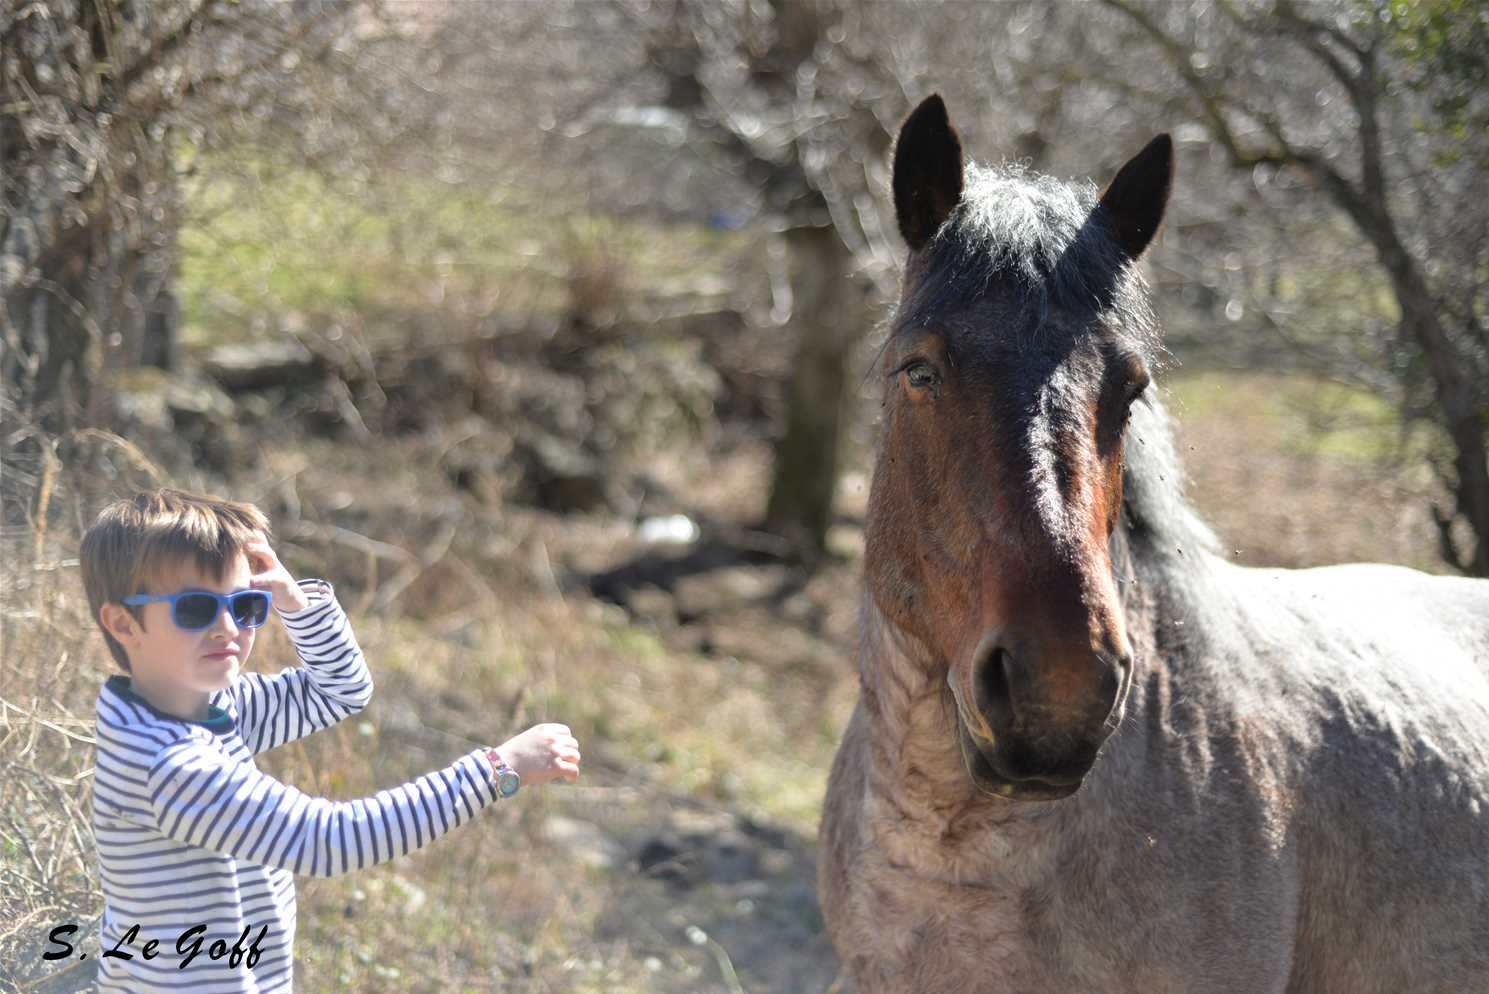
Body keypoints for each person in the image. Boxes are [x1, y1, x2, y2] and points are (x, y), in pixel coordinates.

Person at [79, 488, 581, 992]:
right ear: (124, 623)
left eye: (248, 604)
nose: (228, 626)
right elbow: (329, 840)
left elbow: (341, 690)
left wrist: (296, 604)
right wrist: (496, 770)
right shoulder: (168, 764)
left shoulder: (211, 706)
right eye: (194, 609)